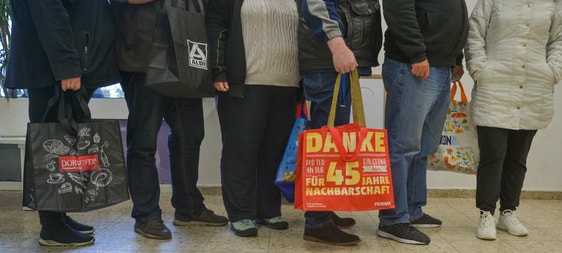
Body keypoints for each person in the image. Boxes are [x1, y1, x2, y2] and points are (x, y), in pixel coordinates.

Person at [6, 0, 121, 246]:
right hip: (51, 69)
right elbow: (49, 12)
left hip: (61, 66)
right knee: (49, 145)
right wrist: (67, 65)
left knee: (61, 144)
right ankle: (52, 227)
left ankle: (59, 216)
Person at [110, 0, 228, 240]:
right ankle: (146, 215)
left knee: (191, 135)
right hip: (142, 59)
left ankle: (188, 207)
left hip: (184, 56)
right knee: (143, 142)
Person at [465, 0, 562, 241]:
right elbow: (474, 32)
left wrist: (553, 71)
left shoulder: (553, 3)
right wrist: (480, 69)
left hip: (534, 86)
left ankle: (508, 212)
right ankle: (486, 213)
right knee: (493, 154)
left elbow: (558, 41)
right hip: (495, 84)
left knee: (518, 157)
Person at [377, 0, 468, 245]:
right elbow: (398, 9)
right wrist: (416, 53)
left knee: (422, 146)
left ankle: (413, 210)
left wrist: (455, 58)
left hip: (440, 65)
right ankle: (393, 218)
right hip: (414, 64)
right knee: (402, 144)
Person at [205, 0, 299, 237]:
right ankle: (241, 214)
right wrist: (218, 69)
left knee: (274, 152)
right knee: (241, 151)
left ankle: (268, 210)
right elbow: (216, 26)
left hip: (287, 84)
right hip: (244, 84)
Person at [297, 0, 383, 246]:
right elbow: (316, 4)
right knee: (325, 142)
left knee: (333, 142)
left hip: (333, 59)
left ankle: (323, 208)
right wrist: (337, 45)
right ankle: (316, 221)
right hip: (327, 60)